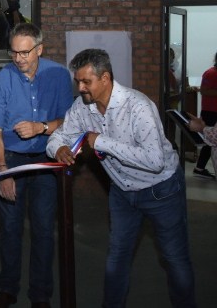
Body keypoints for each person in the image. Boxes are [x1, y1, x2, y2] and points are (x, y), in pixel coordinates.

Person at [48, 48, 197, 308]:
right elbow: (59, 136)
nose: (80, 88)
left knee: (174, 258)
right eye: (78, 81)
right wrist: (58, 148)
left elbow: (154, 161)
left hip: (161, 190)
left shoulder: (138, 106)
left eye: (86, 82)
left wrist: (101, 142)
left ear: (105, 78)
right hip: (122, 191)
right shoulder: (82, 107)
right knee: (117, 258)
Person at [0, 23, 74, 308]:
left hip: (47, 161)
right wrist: (2, 172)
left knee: (44, 229)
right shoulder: (1, 81)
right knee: (10, 229)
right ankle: (8, 289)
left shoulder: (59, 75)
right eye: (13, 52)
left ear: (40, 49)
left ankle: (40, 295)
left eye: (25, 52)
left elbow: (71, 122)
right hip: (11, 160)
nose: (18, 58)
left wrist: (41, 127)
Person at [193, 52, 217, 179]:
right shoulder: (211, 73)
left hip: (213, 111)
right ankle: (199, 168)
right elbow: (204, 91)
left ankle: (200, 167)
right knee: (210, 140)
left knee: (211, 140)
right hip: (211, 111)